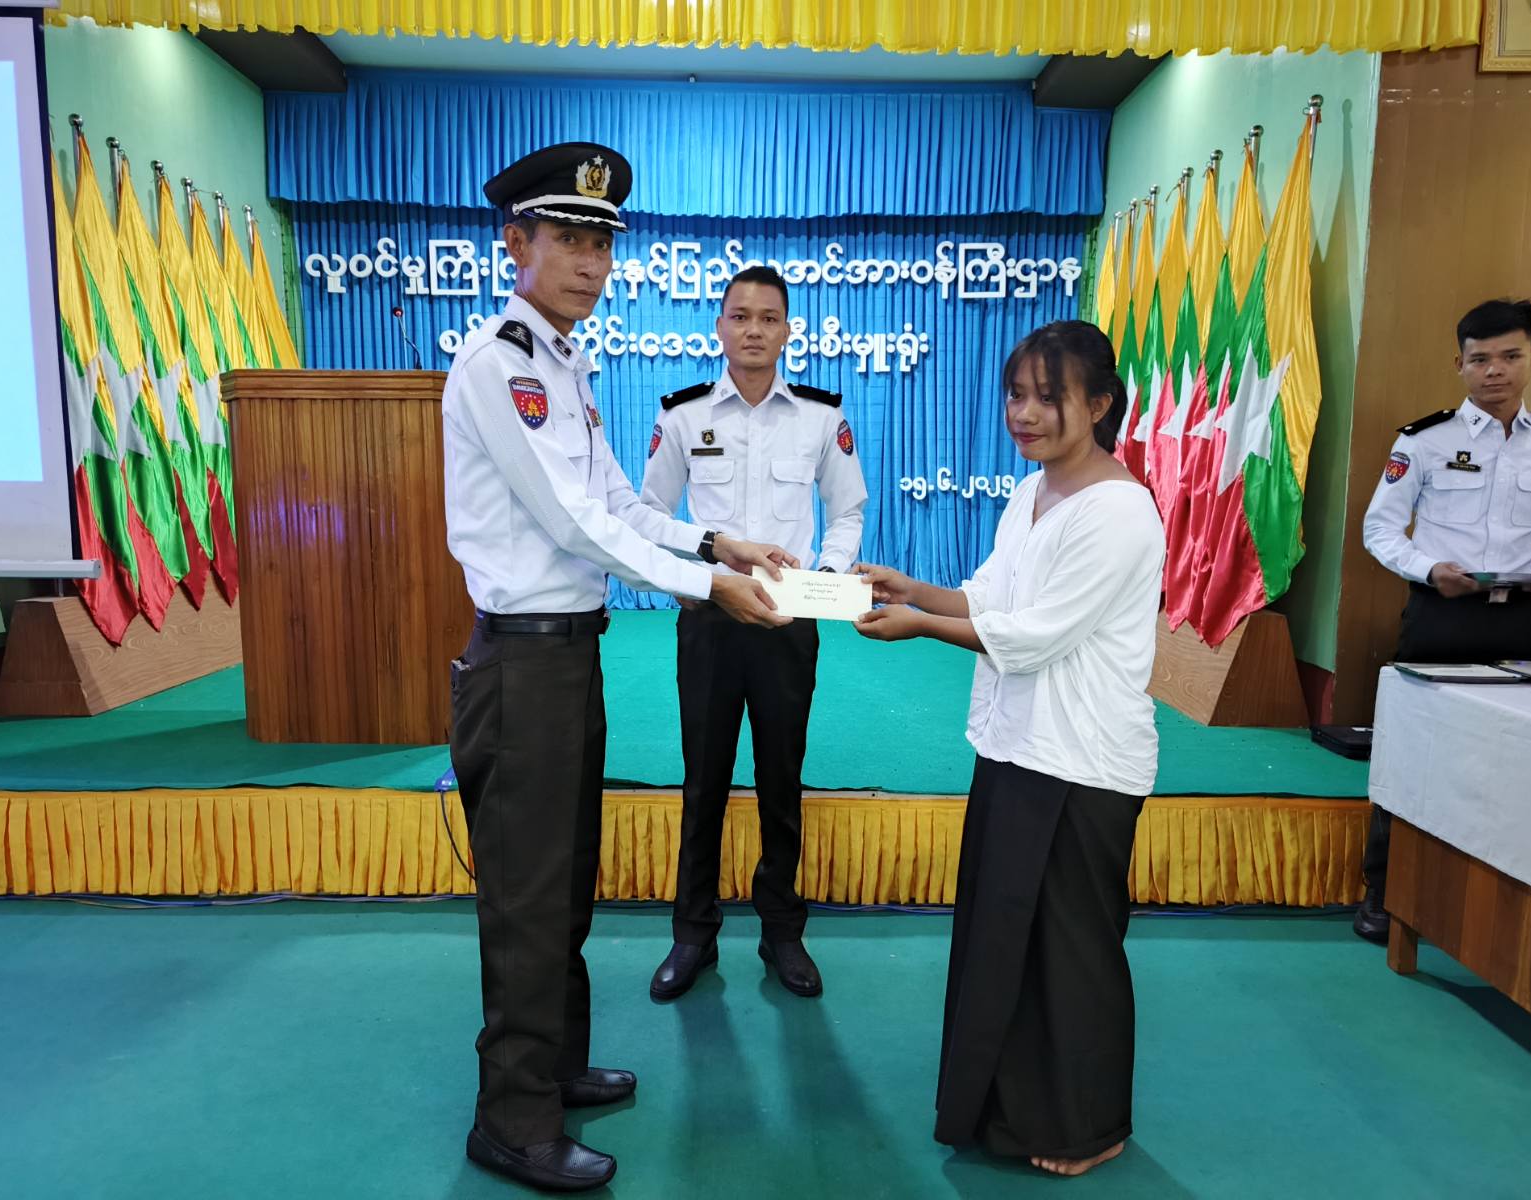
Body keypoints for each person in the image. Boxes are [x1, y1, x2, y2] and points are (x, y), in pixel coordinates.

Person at [442, 142, 798, 1193]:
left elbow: (622, 507)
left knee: (564, 885)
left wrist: (715, 543)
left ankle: (553, 1068)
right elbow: (573, 523)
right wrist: (707, 587)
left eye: (602, 244)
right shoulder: (499, 363)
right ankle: (511, 1120)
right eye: (569, 240)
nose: (592, 264)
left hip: (568, 660)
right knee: (526, 898)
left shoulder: (565, 367)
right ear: (515, 243)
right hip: (521, 667)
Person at [855, 320, 1164, 1178]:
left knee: (1072, 951)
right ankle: (1011, 1110)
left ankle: (1089, 1125)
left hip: (1083, 763)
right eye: (1015, 394)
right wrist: (915, 590)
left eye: (1048, 397)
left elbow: (1034, 636)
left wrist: (919, 626)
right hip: (1015, 749)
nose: (1024, 414)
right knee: (1007, 942)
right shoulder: (1031, 491)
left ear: (1099, 405)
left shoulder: (1119, 510)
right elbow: (992, 596)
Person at [638, 266, 868, 1002]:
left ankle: (782, 932)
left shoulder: (820, 417)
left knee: (780, 780)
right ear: (719, 327)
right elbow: (649, 514)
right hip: (710, 619)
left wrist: (821, 581)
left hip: (785, 624)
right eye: (740, 316)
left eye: (769, 318)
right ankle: (692, 934)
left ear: (789, 330)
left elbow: (848, 511)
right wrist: (698, 570)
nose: (754, 330)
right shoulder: (683, 416)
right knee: (703, 781)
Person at [1356, 297, 1531, 943]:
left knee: (1515, 760)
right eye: (1480, 359)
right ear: (1459, 365)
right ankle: (1385, 892)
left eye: (1510, 356)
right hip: (1442, 618)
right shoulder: (1425, 441)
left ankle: (1495, 906)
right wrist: (1430, 567)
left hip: (1521, 624)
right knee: (1417, 753)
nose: (1495, 371)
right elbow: (1380, 529)